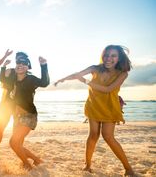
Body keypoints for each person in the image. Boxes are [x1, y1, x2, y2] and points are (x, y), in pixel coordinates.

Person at [54, 45, 134, 176]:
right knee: (93, 135)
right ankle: (88, 165)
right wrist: (62, 79)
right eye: (106, 55)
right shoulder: (95, 68)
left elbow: (108, 89)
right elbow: (77, 75)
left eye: (113, 56)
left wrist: (85, 81)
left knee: (108, 137)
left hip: (109, 108)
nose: (109, 58)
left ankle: (128, 169)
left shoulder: (122, 74)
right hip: (93, 106)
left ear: (119, 58)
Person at [9, 53, 49, 170]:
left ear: (28, 67)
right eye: (18, 63)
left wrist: (43, 65)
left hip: (29, 115)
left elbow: (44, 83)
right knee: (18, 144)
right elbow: (3, 79)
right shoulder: (14, 80)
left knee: (13, 143)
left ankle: (28, 165)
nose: (20, 65)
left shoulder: (30, 79)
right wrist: (3, 69)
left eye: (23, 63)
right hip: (17, 117)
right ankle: (37, 160)